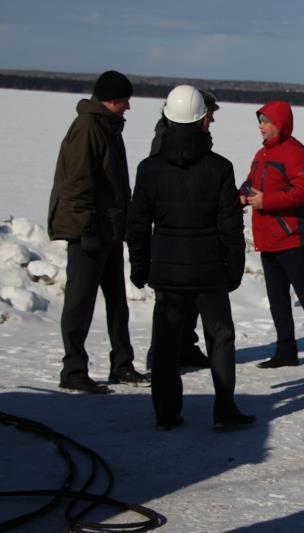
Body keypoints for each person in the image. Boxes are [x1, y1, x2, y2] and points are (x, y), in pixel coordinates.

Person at [127, 84, 254, 430]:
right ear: (201, 121)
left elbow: (137, 224)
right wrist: (235, 268)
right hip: (209, 272)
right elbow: (230, 226)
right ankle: (225, 410)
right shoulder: (219, 168)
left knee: (166, 344)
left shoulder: (148, 169)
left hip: (167, 273)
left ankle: (166, 413)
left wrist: (139, 266)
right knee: (220, 337)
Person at [48, 70, 148, 394]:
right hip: (88, 233)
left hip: (108, 230)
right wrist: (86, 228)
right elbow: (76, 184)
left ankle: (122, 364)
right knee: (80, 303)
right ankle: (73, 370)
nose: (128, 107)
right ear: (111, 100)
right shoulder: (87, 128)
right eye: (125, 101)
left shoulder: (107, 127)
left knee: (117, 302)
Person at [240, 100, 304, 374]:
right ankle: (286, 351)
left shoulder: (295, 153)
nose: (260, 126)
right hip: (267, 237)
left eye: (265, 121)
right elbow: (250, 183)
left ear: (279, 124)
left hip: (292, 236)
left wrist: (267, 200)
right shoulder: (261, 155)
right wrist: (241, 195)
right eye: (259, 121)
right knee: (277, 297)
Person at [144, 89, 221, 371]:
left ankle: (184, 348)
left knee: (186, 301)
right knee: (169, 303)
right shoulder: (167, 141)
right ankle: (161, 354)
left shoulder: (189, 138)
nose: (212, 120)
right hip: (174, 233)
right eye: (210, 114)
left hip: (187, 233)